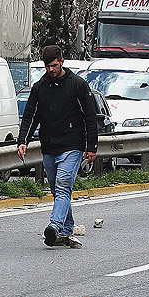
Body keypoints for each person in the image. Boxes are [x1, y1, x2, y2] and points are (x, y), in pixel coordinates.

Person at [17, 45, 98, 249]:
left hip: (72, 145)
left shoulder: (77, 85)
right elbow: (30, 116)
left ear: (62, 62)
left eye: (54, 65)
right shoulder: (40, 87)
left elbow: (90, 116)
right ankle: (67, 228)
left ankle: (54, 224)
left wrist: (92, 147)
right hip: (50, 146)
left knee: (63, 184)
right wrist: (22, 141)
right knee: (56, 188)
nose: (51, 70)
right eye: (47, 66)